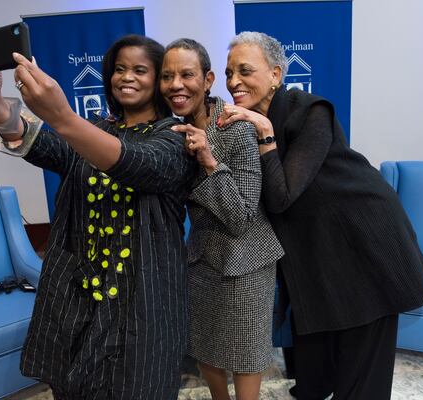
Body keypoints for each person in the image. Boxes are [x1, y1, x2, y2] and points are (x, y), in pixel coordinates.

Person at [0, 23, 195, 400]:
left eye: (140, 70)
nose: (126, 77)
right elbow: (32, 141)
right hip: (78, 295)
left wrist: (63, 117)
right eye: (119, 69)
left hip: (142, 303)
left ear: (159, 81)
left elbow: (136, 163)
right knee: (72, 386)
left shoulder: (176, 138)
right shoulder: (94, 128)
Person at [219, 31, 423, 400]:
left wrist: (267, 136)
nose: (234, 81)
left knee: (362, 355)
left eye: (244, 70)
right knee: (314, 354)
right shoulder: (247, 122)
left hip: (363, 235)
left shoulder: (312, 111)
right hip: (316, 246)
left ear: (275, 74)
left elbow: (282, 196)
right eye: (228, 73)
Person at [159, 38, 284, 400]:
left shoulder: (236, 127)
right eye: (168, 76)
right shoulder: (171, 133)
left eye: (187, 74)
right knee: (205, 348)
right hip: (200, 259)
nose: (177, 85)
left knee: (246, 355)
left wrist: (209, 161)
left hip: (246, 260)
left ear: (207, 79)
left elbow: (242, 216)